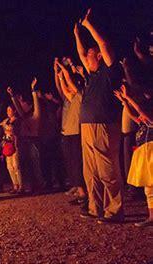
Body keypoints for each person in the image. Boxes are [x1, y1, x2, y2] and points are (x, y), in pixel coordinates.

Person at [74, 8, 124, 223]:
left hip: (103, 126)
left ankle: (115, 210)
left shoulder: (109, 72)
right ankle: (96, 208)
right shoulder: (92, 75)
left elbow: (103, 45)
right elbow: (81, 55)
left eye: (90, 55)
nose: (86, 58)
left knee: (107, 170)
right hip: (87, 126)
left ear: (100, 57)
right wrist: (77, 36)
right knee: (90, 173)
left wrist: (88, 26)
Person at [114, 85, 152, 227]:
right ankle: (151, 216)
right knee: (148, 188)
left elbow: (140, 111)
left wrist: (128, 97)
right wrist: (124, 102)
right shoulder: (143, 124)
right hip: (145, 155)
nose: (140, 116)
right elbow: (133, 115)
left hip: (151, 155)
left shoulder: (151, 122)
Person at [54, 58, 87, 205]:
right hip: (68, 134)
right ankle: (81, 193)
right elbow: (64, 88)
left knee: (78, 164)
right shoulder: (73, 97)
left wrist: (63, 68)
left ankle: (85, 194)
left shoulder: (80, 94)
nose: (69, 86)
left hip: (76, 134)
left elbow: (69, 83)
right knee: (72, 165)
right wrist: (60, 76)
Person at [7, 78, 43, 194]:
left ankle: (39, 185)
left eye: (24, 104)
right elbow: (18, 107)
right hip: (25, 142)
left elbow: (36, 104)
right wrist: (12, 96)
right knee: (27, 165)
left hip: (32, 141)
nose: (22, 106)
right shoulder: (23, 117)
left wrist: (33, 90)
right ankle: (31, 186)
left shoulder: (35, 116)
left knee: (35, 165)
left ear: (29, 105)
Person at [0, 105, 23, 194]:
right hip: (7, 145)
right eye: (7, 110)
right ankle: (15, 185)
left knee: (16, 166)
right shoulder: (5, 121)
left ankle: (21, 186)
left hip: (15, 145)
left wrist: (16, 145)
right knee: (9, 166)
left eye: (10, 110)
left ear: (14, 111)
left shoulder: (17, 121)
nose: (8, 111)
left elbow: (17, 134)